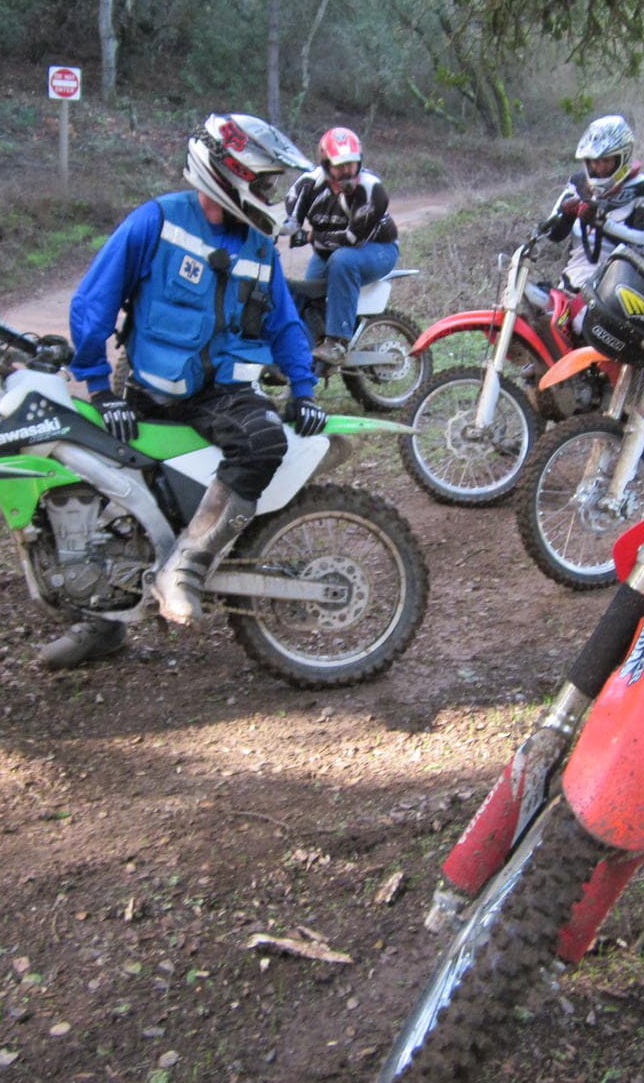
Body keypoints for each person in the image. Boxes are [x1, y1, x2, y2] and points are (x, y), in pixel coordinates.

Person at [41, 113, 327, 669]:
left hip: (220, 392)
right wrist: (101, 390)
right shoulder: (156, 222)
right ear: (229, 172)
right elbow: (93, 304)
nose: (269, 194)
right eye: (263, 182)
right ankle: (103, 623)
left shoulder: (259, 247)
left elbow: (285, 326)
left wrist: (304, 387)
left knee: (264, 442)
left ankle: (185, 567)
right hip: (145, 387)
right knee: (115, 503)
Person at [281, 126, 400, 366]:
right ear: (326, 163)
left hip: (378, 250)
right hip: (330, 253)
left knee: (343, 260)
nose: (347, 170)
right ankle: (306, 355)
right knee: (306, 293)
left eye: (351, 163)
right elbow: (288, 222)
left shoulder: (371, 189)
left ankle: (338, 341)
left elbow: (352, 241)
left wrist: (311, 238)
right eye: (340, 164)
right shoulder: (308, 186)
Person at [540, 114, 644, 294]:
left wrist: (602, 223)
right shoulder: (578, 183)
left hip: (618, 288)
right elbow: (550, 233)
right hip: (572, 281)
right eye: (595, 161)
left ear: (623, 158)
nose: (600, 167)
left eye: (607, 161)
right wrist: (566, 217)